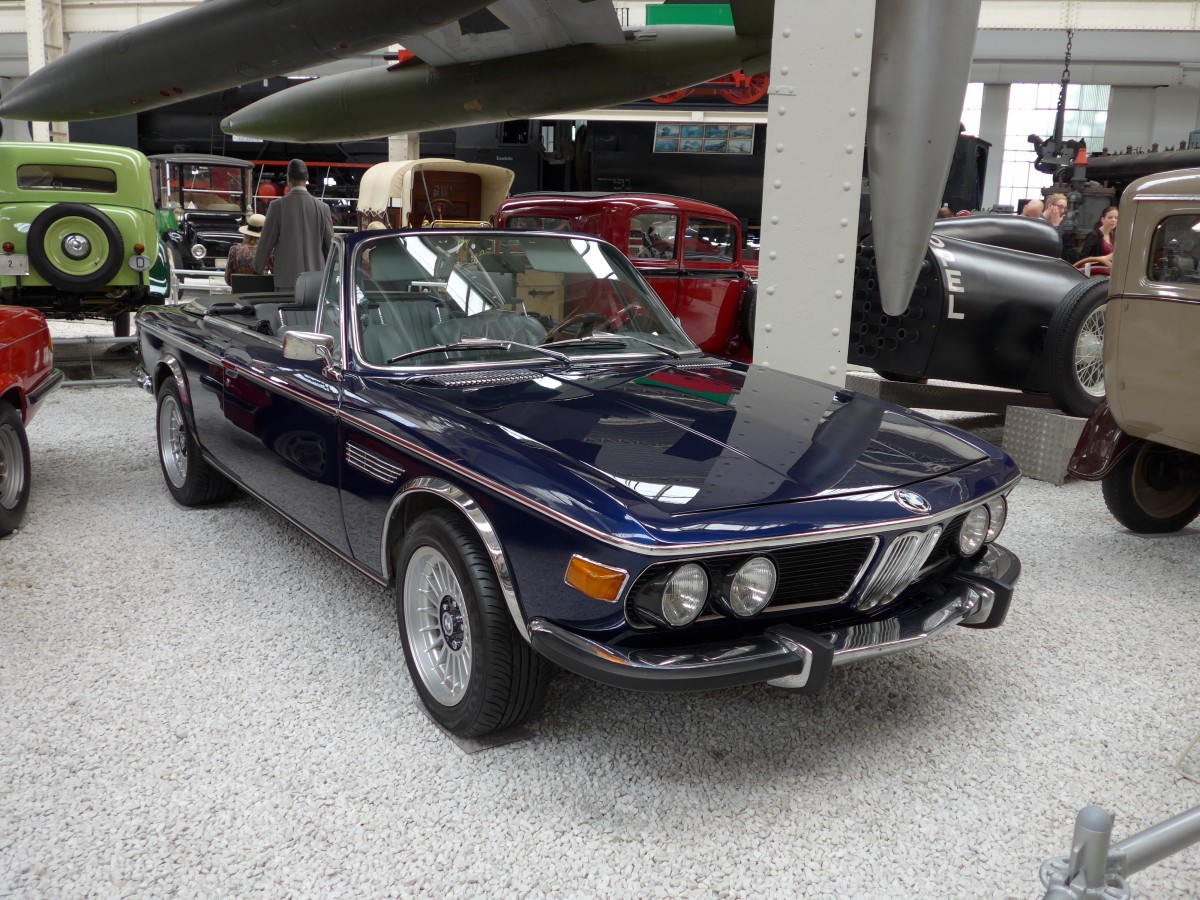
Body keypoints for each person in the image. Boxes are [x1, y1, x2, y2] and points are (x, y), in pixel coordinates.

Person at [254, 159, 334, 291]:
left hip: (286, 281)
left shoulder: (277, 206)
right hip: (316, 281)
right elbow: (330, 247)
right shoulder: (323, 208)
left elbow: (265, 243)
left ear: (288, 178)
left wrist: (258, 267)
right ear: (307, 178)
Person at [224, 213, 268, 286]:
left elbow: (228, 279)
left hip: (239, 291)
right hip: (263, 291)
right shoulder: (269, 252)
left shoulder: (234, 250)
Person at [1074, 205, 1118, 275]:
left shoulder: (1113, 235)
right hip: (1095, 275)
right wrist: (1106, 258)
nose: (1113, 220)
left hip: (1108, 274)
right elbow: (1083, 260)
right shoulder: (1093, 235)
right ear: (1102, 219)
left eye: (1116, 218)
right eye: (1110, 217)